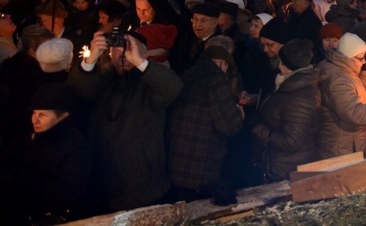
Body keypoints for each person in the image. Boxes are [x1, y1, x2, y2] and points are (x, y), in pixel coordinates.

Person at [67, 30, 182, 211]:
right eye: (118, 50)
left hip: (143, 185)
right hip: (103, 183)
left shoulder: (151, 85)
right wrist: (90, 60)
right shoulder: (102, 79)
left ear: (144, 54)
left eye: (130, 49)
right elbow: (77, 93)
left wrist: (138, 61)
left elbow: (172, 87)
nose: (124, 54)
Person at [0, 83, 92, 224]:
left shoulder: (74, 147)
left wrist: (22, 179)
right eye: (34, 113)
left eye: (42, 115)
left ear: (62, 117)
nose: (34, 120)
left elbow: (70, 192)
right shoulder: (29, 134)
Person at [167, 46, 244, 202]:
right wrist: (240, 116)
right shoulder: (216, 78)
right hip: (199, 164)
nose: (221, 68)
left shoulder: (189, 73)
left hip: (175, 161)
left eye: (225, 65)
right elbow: (228, 126)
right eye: (219, 63)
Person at [252, 39, 321, 182]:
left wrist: (256, 127)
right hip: (276, 163)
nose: (278, 66)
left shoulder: (301, 99)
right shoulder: (288, 86)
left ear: (292, 67)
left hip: (284, 171)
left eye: (282, 63)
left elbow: (291, 141)